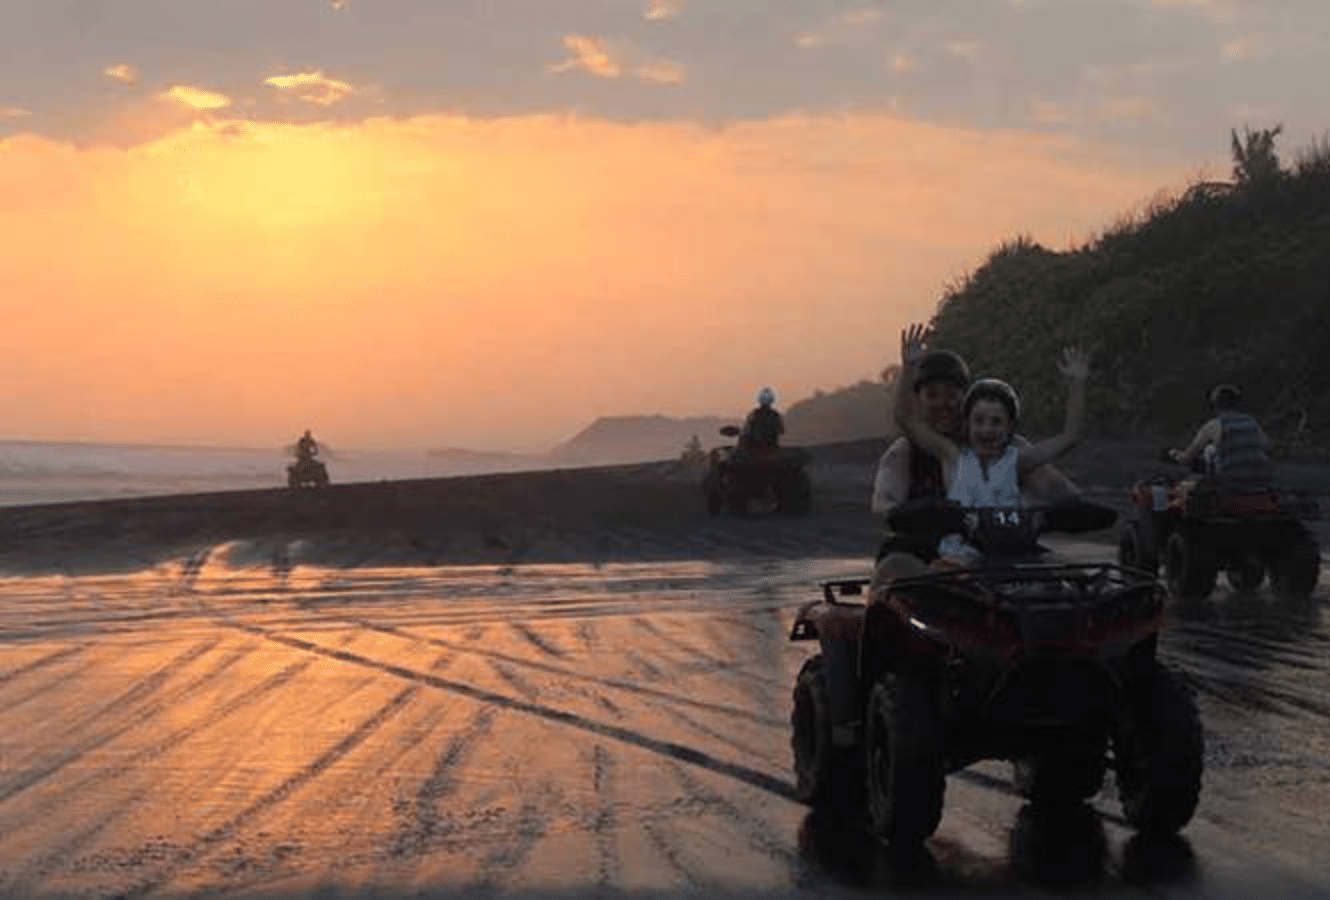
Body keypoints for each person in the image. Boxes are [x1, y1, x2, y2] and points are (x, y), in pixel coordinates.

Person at [877, 329, 1091, 577]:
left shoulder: (1017, 459)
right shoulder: (952, 456)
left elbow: (1069, 437)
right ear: (966, 422)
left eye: (996, 422)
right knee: (931, 574)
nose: (987, 430)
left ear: (1009, 427)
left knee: (1073, 573)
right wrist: (909, 369)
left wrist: (1077, 384)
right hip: (962, 555)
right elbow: (906, 419)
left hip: (1013, 549)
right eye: (979, 421)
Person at [1168, 384, 1272, 489]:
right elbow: (1267, 445)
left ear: (1214, 405)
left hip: (1229, 484)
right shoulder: (1252, 422)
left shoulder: (1214, 425)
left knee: (1207, 455)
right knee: (1211, 451)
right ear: (1238, 403)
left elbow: (1187, 459)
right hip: (1260, 481)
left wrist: (1176, 455)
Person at [739, 386, 784, 454]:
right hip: (767, 448)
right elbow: (781, 431)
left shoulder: (754, 414)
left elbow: (780, 430)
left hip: (759, 449)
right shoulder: (773, 415)